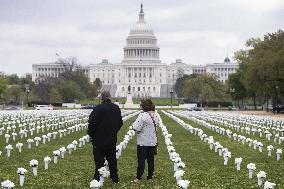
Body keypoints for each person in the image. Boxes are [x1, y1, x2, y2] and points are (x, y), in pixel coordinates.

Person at [87, 90, 123, 183]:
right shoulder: (116, 108)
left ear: (101, 98)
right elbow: (120, 123)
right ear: (110, 96)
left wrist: (91, 134)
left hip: (98, 140)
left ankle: (98, 178)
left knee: (99, 161)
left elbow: (92, 123)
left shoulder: (98, 108)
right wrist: (113, 132)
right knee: (112, 160)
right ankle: (114, 178)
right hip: (111, 139)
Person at [132, 98, 160, 183]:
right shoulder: (156, 115)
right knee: (151, 161)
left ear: (144, 106)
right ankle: (150, 178)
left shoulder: (142, 116)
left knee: (141, 161)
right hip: (153, 142)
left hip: (143, 142)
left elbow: (136, 128)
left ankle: (138, 178)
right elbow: (157, 125)